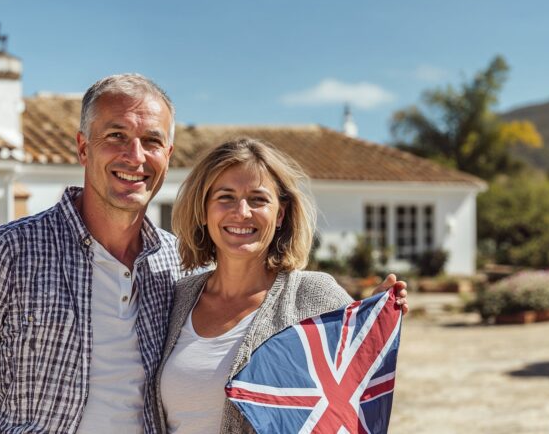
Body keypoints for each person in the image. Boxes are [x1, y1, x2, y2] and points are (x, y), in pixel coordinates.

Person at [0, 74, 183, 433]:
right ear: (83, 147)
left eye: (151, 141)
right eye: (116, 136)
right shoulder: (9, 252)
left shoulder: (178, 264)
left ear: (166, 156)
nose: (135, 156)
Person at [151, 137, 407, 434]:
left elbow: (352, 396)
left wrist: (370, 318)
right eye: (225, 197)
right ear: (204, 210)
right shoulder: (178, 297)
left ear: (280, 213)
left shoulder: (314, 296)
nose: (242, 212)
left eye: (258, 199)